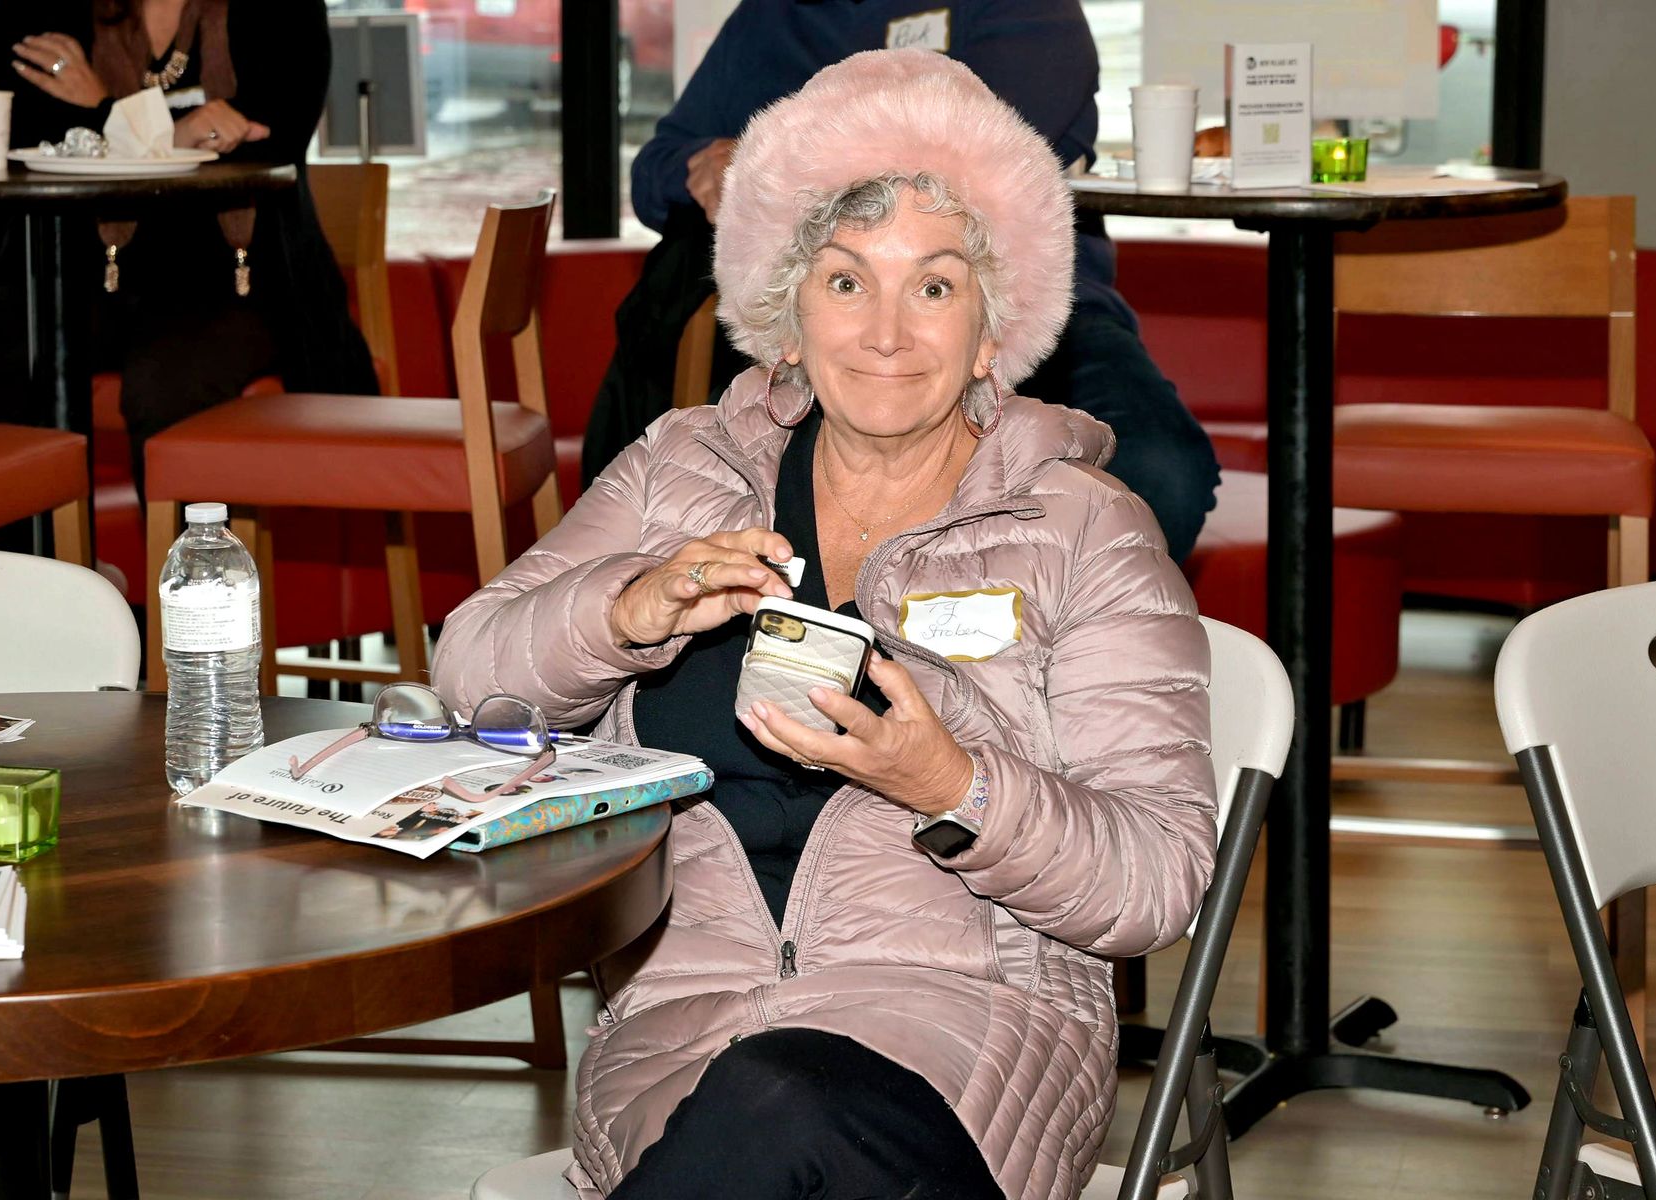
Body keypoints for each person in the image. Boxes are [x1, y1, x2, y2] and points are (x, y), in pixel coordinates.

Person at [434, 51, 1215, 1200]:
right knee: (749, 1111)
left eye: (935, 287)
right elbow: (469, 676)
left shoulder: (1080, 528)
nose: (887, 332)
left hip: (966, 1040)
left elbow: (1157, 879)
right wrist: (624, 609)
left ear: (992, 332)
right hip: (682, 1028)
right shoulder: (681, 471)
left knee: (778, 1105)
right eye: (847, 281)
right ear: (785, 316)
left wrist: (951, 784)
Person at [583, 0, 1220, 562]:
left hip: (1026, 314)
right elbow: (654, 170)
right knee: (701, 490)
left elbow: (974, 161)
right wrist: (708, 164)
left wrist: (777, 164)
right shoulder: (771, 15)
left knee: (1162, 473)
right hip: (823, 316)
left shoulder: (1023, 10)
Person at [0, 0, 378, 502]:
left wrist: (104, 113)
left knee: (169, 386)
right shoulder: (43, 9)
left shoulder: (277, 11)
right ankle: (41, 553)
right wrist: (170, 131)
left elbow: (272, 134)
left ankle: (197, 556)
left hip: (232, 286)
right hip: (70, 276)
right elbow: (0, 133)